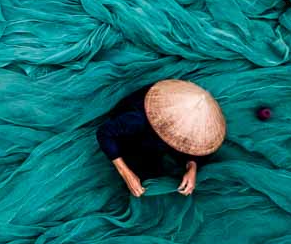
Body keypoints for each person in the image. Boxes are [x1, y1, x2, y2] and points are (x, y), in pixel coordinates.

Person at [96, 79, 227, 198]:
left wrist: (192, 167)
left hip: (161, 128)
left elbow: (195, 147)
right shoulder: (138, 118)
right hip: (133, 134)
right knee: (145, 172)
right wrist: (125, 172)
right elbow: (104, 133)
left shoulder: (195, 114)